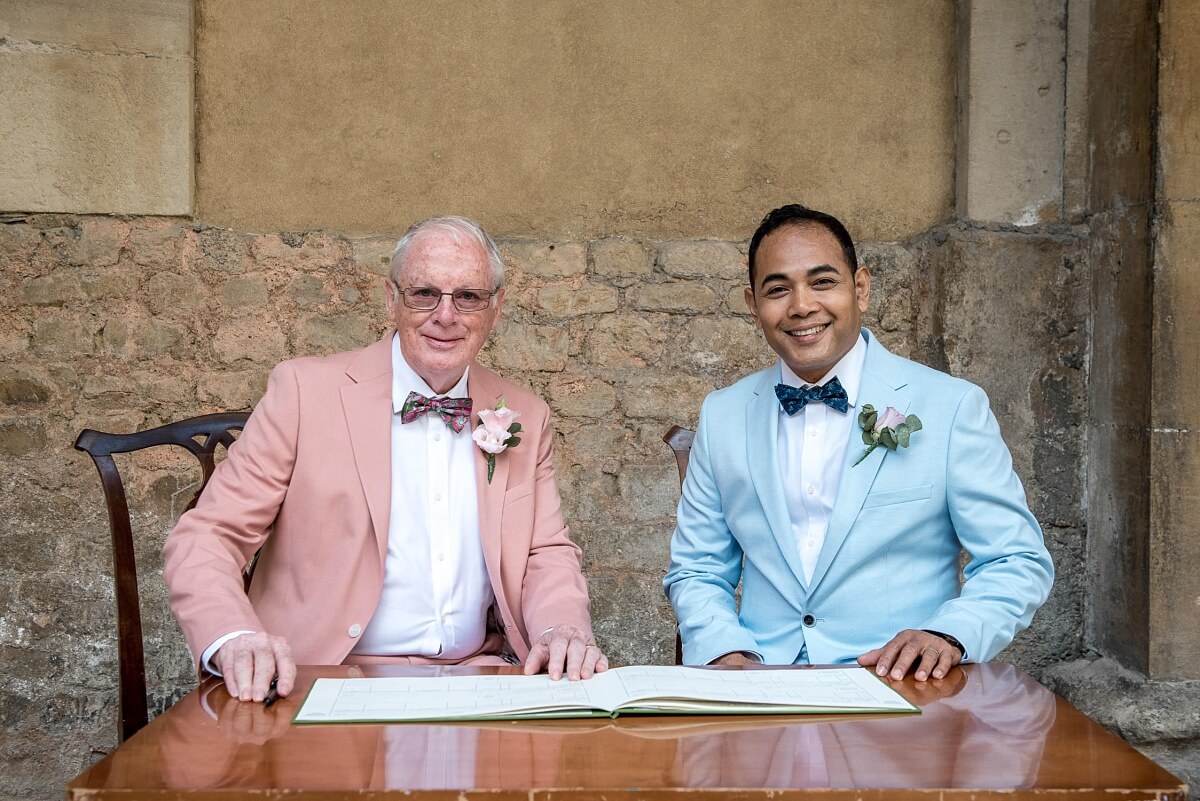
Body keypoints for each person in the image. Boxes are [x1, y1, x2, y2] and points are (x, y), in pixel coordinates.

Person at [164, 215, 607, 703]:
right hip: (322, 679)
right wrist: (233, 638)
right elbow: (208, 536)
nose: (446, 315)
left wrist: (563, 627)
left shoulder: (524, 413)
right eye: (424, 294)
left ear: (495, 309)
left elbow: (545, 552)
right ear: (391, 298)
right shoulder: (303, 393)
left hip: (482, 679)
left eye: (468, 297)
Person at [663, 203, 1053, 681]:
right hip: (760, 685)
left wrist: (950, 634)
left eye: (822, 282)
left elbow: (1017, 559)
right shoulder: (722, 415)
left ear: (860, 288)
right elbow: (697, 568)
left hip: (901, 691)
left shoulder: (950, 407)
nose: (801, 305)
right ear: (753, 305)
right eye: (778, 289)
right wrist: (723, 650)